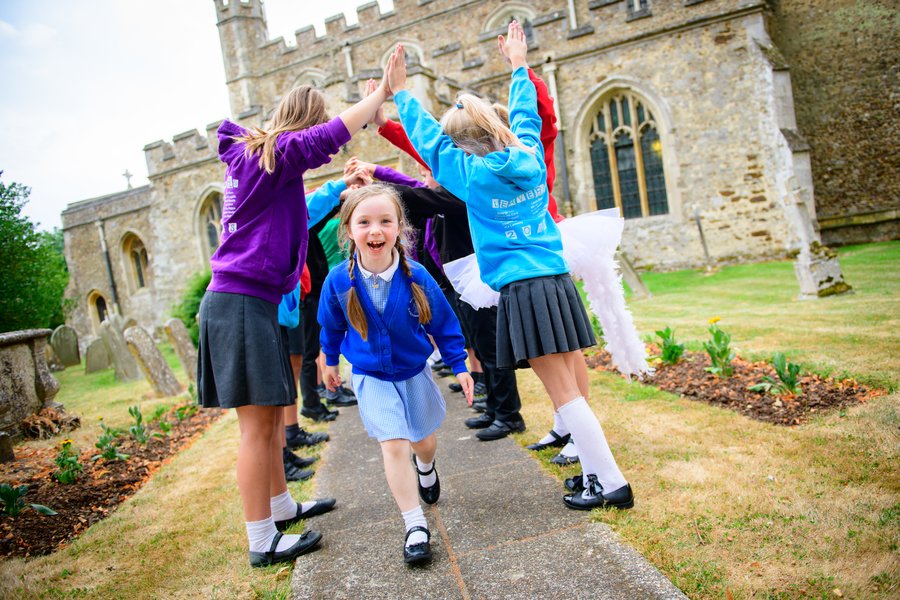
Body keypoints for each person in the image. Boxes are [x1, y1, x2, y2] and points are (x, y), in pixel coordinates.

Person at [387, 26, 634, 511]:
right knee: (570, 388)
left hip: (524, 292)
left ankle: (611, 482)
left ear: (462, 148)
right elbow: (524, 114)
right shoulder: (529, 157)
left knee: (564, 396)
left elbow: (429, 144)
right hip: (557, 283)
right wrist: (519, 65)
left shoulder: (471, 177)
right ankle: (592, 476)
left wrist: (400, 93)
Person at [196, 67, 393, 568]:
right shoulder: (274, 156)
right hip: (239, 305)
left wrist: (341, 188)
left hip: (248, 303)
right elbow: (328, 138)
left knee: (267, 418)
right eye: (317, 128)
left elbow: (300, 209)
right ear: (304, 124)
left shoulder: (264, 164)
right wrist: (377, 101)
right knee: (258, 429)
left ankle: (282, 508)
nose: (320, 145)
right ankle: (262, 539)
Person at [318, 184, 474, 564]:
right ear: (349, 230)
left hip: (412, 372)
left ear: (400, 227)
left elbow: (445, 324)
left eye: (385, 221)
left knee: (422, 443)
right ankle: (415, 524)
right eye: (365, 222)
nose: (375, 231)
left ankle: (426, 468)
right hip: (370, 377)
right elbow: (331, 326)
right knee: (393, 444)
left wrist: (459, 364)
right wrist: (330, 359)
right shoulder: (340, 280)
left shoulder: (416, 276)